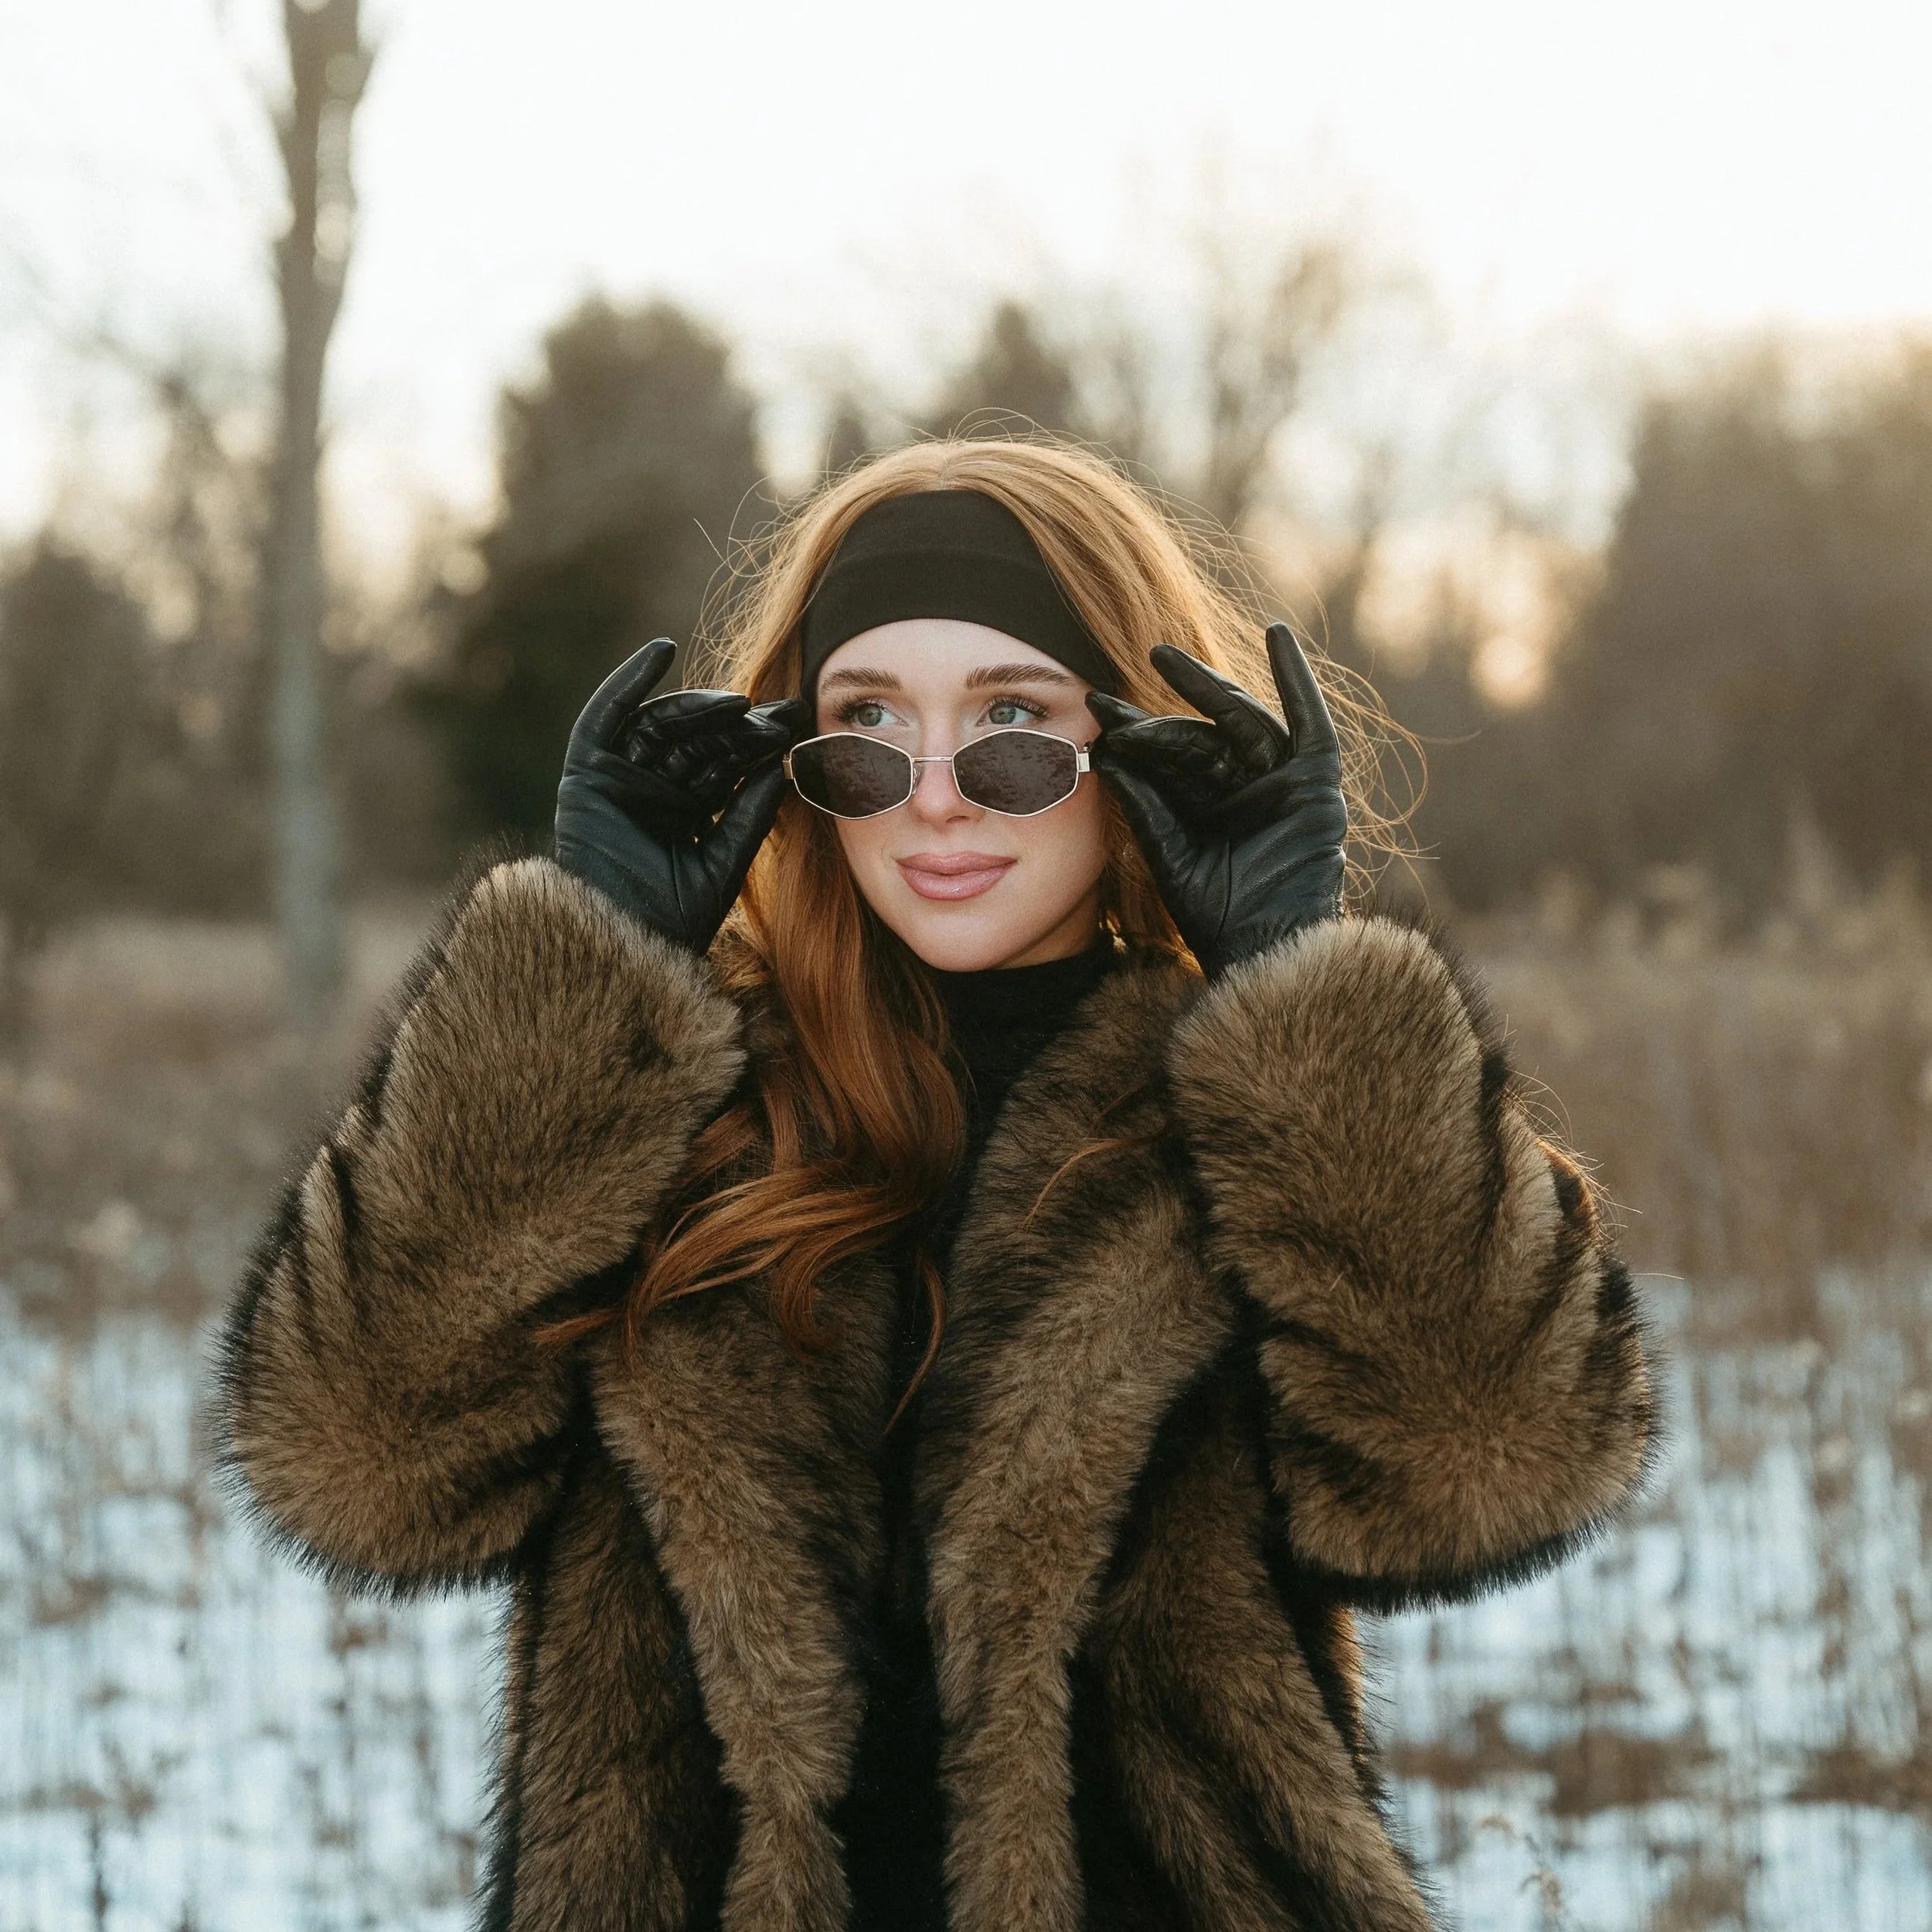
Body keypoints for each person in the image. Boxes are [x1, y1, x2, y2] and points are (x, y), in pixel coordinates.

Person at [216, 438, 1657, 1932]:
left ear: (1140, 745)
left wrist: (1302, 988)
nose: (937, 800)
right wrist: (579, 976)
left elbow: (1490, 1469)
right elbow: (358, 1465)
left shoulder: (1258, 1128)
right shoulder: (655, 1117)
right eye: (865, 730)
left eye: (1016, 727)